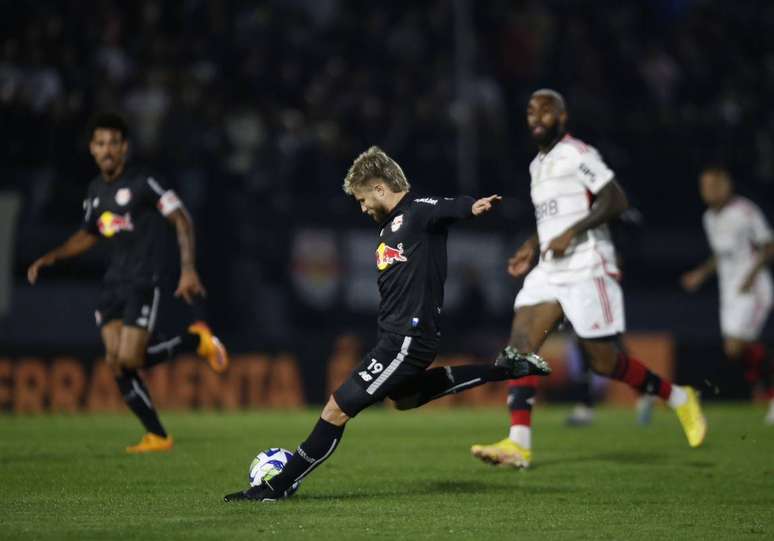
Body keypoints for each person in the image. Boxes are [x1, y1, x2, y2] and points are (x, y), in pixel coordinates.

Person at [224, 146, 551, 502]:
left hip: (407, 339)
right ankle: (504, 368)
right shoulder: (387, 231)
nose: (362, 208)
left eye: (363, 199)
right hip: (398, 338)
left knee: (336, 408)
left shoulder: (417, 212)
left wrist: (473, 206)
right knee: (405, 397)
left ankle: (276, 486)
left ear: (380, 188)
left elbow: (448, 207)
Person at [470, 89, 707, 469]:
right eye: (530, 110)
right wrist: (533, 244)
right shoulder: (536, 166)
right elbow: (551, 220)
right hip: (549, 269)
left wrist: (573, 233)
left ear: (562, 118)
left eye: (546, 110)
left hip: (587, 265)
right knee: (520, 345)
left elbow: (615, 200)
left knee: (604, 362)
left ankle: (678, 397)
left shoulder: (578, 153)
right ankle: (518, 444)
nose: (536, 116)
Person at [27, 113, 228, 453]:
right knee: (116, 362)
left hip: (142, 279)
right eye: (101, 143)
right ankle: (157, 436)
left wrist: (188, 269)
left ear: (124, 148)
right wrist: (52, 256)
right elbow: (88, 234)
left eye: (113, 143)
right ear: (92, 148)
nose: (107, 150)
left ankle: (195, 342)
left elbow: (181, 218)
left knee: (130, 359)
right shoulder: (94, 191)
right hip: (112, 284)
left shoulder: (144, 181)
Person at [681, 166, 774, 424]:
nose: (708, 191)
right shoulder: (709, 218)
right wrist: (700, 273)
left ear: (726, 185)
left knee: (737, 344)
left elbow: (768, 246)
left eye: (713, 185)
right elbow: (719, 256)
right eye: (704, 186)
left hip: (753, 288)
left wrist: (751, 275)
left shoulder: (746, 211)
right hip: (729, 291)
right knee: (734, 350)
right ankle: (762, 389)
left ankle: (769, 394)